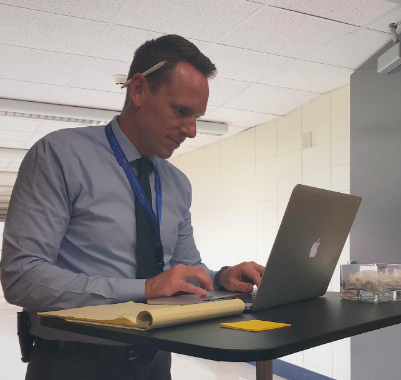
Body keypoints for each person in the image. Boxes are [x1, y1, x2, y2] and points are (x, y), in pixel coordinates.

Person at [0, 34, 265, 380]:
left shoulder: (177, 183)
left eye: (197, 116)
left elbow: (184, 269)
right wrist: (144, 289)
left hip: (156, 360)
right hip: (73, 362)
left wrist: (220, 278)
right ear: (138, 90)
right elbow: (22, 277)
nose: (192, 130)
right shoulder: (59, 155)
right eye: (181, 111)